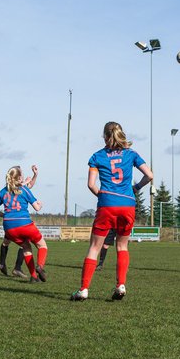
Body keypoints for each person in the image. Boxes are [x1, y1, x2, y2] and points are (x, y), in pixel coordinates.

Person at [71, 121, 153, 301]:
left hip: (107, 203)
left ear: (105, 137)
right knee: (122, 246)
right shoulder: (131, 154)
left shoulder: (97, 156)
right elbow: (150, 175)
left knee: (94, 247)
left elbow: (91, 185)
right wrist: (136, 188)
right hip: (128, 204)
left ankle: (84, 289)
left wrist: (101, 195)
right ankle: (120, 285)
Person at [0, 166, 48, 282]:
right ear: (19, 177)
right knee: (42, 246)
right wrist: (40, 204)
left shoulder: (3, 191)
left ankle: (34, 277)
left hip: (9, 227)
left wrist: (5, 215)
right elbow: (37, 207)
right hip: (24, 223)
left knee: (26, 247)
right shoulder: (24, 190)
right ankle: (40, 266)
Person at [11, 164, 39, 277]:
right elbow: (17, 190)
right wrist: (24, 183)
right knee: (9, 243)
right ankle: (5, 264)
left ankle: (17, 267)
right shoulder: (10, 186)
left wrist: (35, 175)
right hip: (15, 219)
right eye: (21, 174)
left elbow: (28, 186)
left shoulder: (21, 186)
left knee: (24, 244)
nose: (22, 175)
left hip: (14, 220)